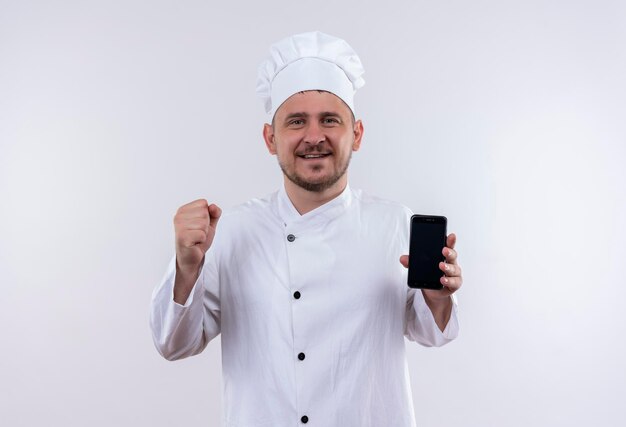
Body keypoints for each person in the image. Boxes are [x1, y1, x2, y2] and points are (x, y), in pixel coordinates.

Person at [150, 31, 463, 427]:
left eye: (329, 120)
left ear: (358, 134)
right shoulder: (231, 231)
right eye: (296, 121)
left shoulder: (394, 223)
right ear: (270, 138)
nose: (314, 137)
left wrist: (437, 296)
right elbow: (173, 344)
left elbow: (433, 333)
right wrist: (186, 266)